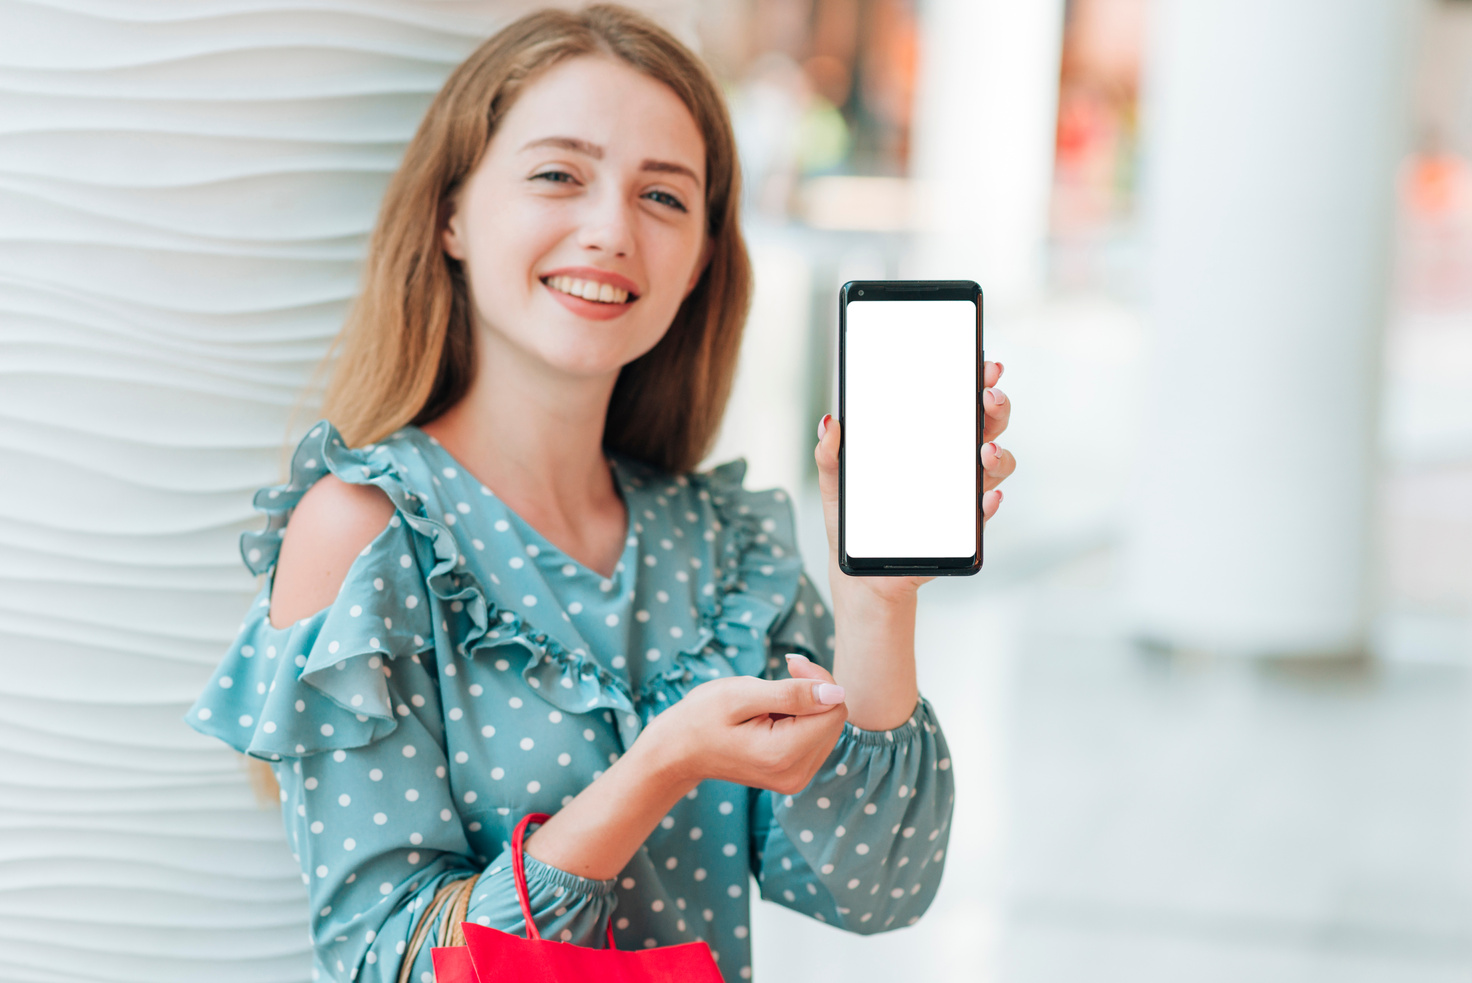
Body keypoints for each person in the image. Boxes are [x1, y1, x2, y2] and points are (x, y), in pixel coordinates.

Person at [184, 5, 1016, 982]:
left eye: (663, 197)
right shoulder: (366, 533)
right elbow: (392, 959)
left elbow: (873, 883)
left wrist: (879, 599)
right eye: (557, 174)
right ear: (450, 211)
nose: (609, 229)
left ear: (703, 255)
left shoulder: (724, 546)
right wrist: (655, 768)